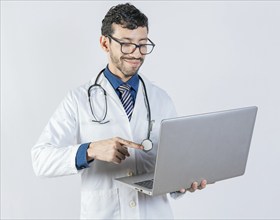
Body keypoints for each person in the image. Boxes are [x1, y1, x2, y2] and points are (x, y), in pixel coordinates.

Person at [31, 3, 207, 219]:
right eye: (126, 44)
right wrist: (91, 150)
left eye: (142, 44)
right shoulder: (78, 99)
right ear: (105, 43)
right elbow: (40, 159)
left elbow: (173, 163)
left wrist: (183, 182)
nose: (136, 53)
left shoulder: (160, 99)